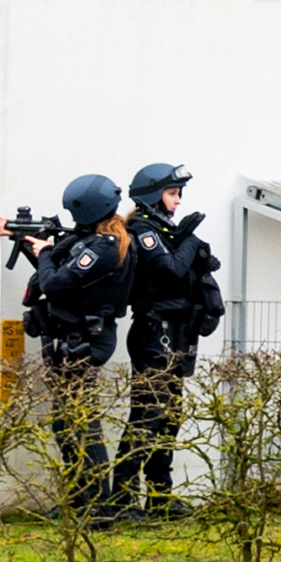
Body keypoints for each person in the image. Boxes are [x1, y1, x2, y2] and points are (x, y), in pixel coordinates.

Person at [0, 175, 135, 525]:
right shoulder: (94, 241)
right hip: (76, 338)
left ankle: (96, 506)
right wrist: (15, 232)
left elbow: (55, 280)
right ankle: (79, 499)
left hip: (86, 340)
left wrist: (44, 253)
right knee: (66, 423)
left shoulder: (104, 247)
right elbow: (61, 258)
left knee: (82, 424)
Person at [113, 164, 220, 518]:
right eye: (172, 194)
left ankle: (160, 498)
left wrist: (192, 246)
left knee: (169, 417)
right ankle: (123, 498)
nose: (177, 201)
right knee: (147, 415)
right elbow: (170, 269)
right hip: (152, 333)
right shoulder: (143, 229)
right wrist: (190, 240)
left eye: (179, 195)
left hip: (175, 333)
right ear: (152, 195)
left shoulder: (164, 230)